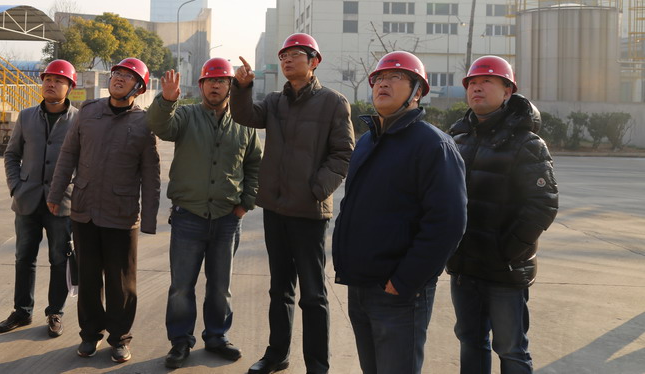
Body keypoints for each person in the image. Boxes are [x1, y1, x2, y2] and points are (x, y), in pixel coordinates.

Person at [332, 50, 467, 374]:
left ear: (417, 91)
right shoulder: (367, 142)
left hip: (399, 293)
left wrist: (405, 280)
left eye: (396, 77)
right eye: (379, 78)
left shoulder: (433, 145)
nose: (383, 83)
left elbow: (448, 223)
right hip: (361, 285)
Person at [231, 33, 354, 374]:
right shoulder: (274, 102)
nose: (286, 60)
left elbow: (343, 153)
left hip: (309, 212)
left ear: (314, 61)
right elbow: (244, 115)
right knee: (279, 290)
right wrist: (241, 87)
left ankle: (317, 365)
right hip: (276, 210)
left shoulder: (333, 102)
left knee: (313, 294)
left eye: (295, 54)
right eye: (283, 55)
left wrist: (317, 189)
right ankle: (277, 355)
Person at [147, 57, 262, 369]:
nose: (215, 85)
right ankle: (180, 341)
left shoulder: (245, 123)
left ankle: (217, 336)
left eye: (221, 80)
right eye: (210, 80)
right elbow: (160, 126)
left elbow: (254, 165)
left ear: (230, 87)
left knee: (220, 286)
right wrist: (166, 100)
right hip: (189, 216)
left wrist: (245, 204)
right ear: (200, 86)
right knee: (181, 286)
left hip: (227, 218)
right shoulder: (185, 116)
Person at [446, 56, 558, 374]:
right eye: (472, 83)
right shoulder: (457, 139)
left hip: (505, 270)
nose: (477, 88)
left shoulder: (527, 143)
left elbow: (543, 204)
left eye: (487, 81)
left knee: (511, 349)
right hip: (464, 267)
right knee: (470, 341)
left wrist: (507, 251)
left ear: (508, 91)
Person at [47, 57, 160, 364]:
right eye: (117, 73)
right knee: (88, 278)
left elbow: (150, 173)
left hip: (121, 214)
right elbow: (68, 154)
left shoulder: (144, 123)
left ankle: (120, 338)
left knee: (121, 282)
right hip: (84, 209)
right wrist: (56, 193)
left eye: (128, 76)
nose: (119, 78)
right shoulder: (88, 112)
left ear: (139, 88)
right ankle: (89, 334)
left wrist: (149, 218)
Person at [0, 59, 79, 338]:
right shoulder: (26, 116)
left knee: (59, 259)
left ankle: (55, 312)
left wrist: (72, 190)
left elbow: (85, 162)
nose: (51, 84)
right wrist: (15, 187)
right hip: (27, 200)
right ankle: (22, 311)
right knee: (24, 257)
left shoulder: (79, 121)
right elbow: (11, 154)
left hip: (61, 204)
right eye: (47, 79)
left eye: (58, 80)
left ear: (70, 86)